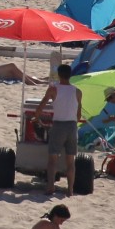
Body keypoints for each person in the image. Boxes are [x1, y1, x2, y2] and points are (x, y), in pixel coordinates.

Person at [32, 64, 83, 195]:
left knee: (53, 159)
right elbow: (78, 114)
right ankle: (70, 190)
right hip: (72, 126)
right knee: (70, 161)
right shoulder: (77, 91)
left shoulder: (53, 89)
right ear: (70, 75)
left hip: (59, 125)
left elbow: (42, 105)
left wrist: (36, 118)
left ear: (59, 75)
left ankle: (50, 186)